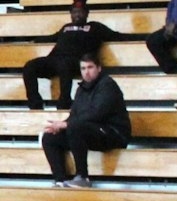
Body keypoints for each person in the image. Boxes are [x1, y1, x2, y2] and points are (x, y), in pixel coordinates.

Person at [41, 53, 131, 188]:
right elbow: (74, 115)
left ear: (99, 68)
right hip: (90, 132)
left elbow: (97, 113)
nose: (86, 72)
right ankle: (60, 180)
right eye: (83, 68)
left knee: (74, 127)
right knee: (49, 137)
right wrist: (59, 126)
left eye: (90, 67)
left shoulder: (108, 84)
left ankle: (83, 176)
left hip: (113, 133)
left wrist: (67, 124)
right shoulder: (81, 89)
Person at [22, 0, 120, 111]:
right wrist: (34, 40)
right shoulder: (66, 27)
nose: (77, 15)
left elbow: (117, 36)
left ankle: (64, 104)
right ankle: (35, 105)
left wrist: (142, 36)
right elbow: (53, 37)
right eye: (74, 12)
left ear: (87, 13)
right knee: (29, 66)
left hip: (77, 62)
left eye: (80, 12)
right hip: (55, 60)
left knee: (65, 65)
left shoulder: (95, 27)